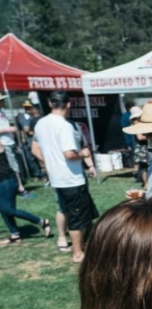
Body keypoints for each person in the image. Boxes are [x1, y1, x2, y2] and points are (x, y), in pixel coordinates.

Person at [32, 91, 98, 263]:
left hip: (57, 178)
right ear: (68, 105)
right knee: (77, 217)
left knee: (70, 212)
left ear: (50, 103)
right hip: (71, 178)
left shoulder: (41, 123)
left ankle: (83, 245)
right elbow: (69, 153)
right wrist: (83, 154)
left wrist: (50, 161)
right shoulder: (65, 126)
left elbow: (35, 149)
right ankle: (78, 253)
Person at [0, 140, 50, 244]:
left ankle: (41, 222)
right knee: (4, 209)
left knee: (8, 210)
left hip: (7, 181)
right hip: (3, 182)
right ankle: (15, 235)